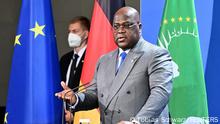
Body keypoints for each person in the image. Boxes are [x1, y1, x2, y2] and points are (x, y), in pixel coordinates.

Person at [56, 7, 173, 124]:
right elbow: (94, 94)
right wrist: (76, 98)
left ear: (139, 27)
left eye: (127, 25)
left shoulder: (155, 54)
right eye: (116, 26)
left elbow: (160, 94)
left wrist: (137, 122)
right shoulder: (104, 60)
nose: (120, 30)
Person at [59, 16, 90, 123]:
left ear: (86, 34)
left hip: (84, 116)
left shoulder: (93, 58)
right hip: (64, 115)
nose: (71, 35)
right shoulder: (65, 59)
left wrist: (75, 116)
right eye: (69, 32)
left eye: (75, 31)